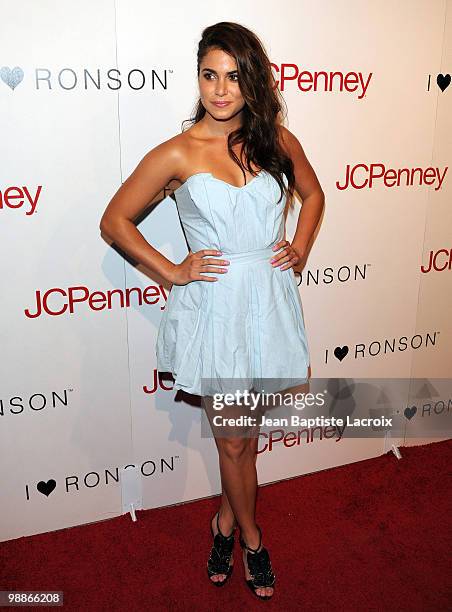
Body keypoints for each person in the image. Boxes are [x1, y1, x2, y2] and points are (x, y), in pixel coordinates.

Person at [100, 21, 324, 601]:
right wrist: (172, 271)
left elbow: (315, 194)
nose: (220, 90)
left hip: (268, 302)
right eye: (209, 75)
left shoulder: (274, 139)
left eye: (233, 76)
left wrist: (298, 248)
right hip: (217, 310)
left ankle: (223, 521)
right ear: (197, 77)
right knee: (233, 442)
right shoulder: (178, 152)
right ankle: (251, 539)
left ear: (253, 82)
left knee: (245, 438)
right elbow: (114, 220)